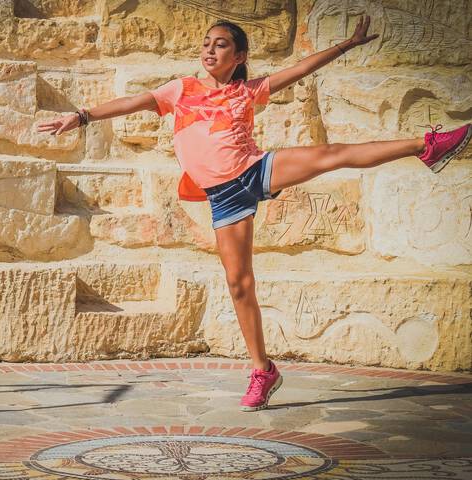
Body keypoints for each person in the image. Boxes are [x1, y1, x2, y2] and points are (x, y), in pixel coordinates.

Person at [36, 14, 472, 411]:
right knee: (239, 284)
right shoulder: (180, 90)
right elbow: (132, 102)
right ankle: (263, 370)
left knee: (331, 154)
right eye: (207, 43)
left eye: (221, 44)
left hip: (256, 169)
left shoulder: (247, 90)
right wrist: (82, 116)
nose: (210, 50)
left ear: (239, 56)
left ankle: (427, 145)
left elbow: (298, 70)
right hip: (224, 196)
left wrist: (347, 45)